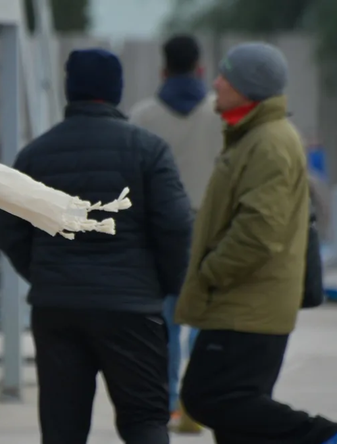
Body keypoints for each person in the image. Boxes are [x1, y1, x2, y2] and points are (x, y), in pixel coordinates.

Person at [0, 48, 192, 444]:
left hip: (57, 309)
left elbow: (11, 231)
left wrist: (46, 275)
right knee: (144, 421)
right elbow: (175, 226)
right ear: (117, 90)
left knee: (63, 430)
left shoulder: (34, 154)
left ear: (69, 89)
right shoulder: (149, 150)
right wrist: (164, 286)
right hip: (132, 308)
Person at [177, 42, 337, 444]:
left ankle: (325, 437)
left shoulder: (269, 142)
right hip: (245, 302)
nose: (216, 83)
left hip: (247, 304)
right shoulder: (251, 136)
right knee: (237, 423)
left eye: (225, 77)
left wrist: (211, 271)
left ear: (248, 87)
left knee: (207, 397)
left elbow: (259, 231)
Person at [129, 34, 222, 433]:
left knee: (165, 322)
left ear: (163, 70)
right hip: (211, 227)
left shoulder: (143, 116)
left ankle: (168, 405)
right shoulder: (220, 112)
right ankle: (197, 402)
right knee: (204, 318)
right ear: (201, 68)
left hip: (160, 229)